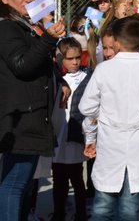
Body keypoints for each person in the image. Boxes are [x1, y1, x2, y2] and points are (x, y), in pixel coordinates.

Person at [78, 16, 139, 221]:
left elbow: (86, 106)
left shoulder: (104, 69)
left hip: (110, 144)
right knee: (130, 210)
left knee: (102, 208)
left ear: (117, 42)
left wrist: (104, 118)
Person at [0, 0, 68, 221]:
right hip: (21, 116)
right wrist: (48, 38)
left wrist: (59, 80)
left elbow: (36, 63)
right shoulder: (7, 26)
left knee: (22, 183)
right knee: (14, 184)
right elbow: (22, 65)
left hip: (30, 114)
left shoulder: (23, 25)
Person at [51, 38, 90, 221]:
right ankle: (59, 214)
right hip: (58, 136)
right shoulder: (57, 79)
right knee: (59, 180)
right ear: (61, 59)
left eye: (78, 57)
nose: (75, 62)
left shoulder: (87, 78)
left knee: (77, 178)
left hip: (75, 137)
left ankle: (81, 214)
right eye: (70, 58)